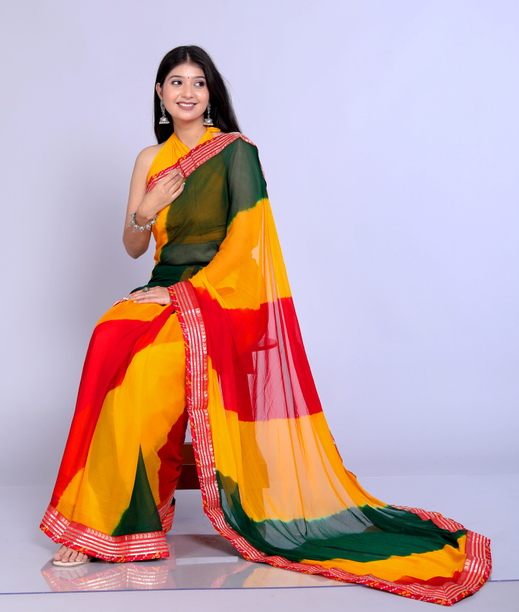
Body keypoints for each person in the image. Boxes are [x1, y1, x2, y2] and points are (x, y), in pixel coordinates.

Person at [41, 46, 491, 605]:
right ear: (159, 94)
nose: (187, 92)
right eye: (176, 82)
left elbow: (247, 246)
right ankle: (107, 509)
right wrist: (147, 208)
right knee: (108, 336)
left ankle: (117, 518)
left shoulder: (236, 152)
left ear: (211, 93)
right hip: (161, 287)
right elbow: (134, 246)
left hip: (223, 297)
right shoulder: (148, 159)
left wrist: (186, 294)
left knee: (148, 368)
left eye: (198, 82)